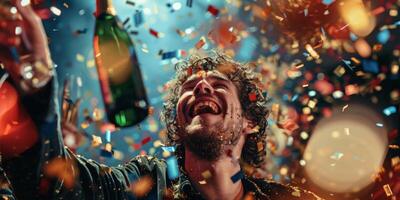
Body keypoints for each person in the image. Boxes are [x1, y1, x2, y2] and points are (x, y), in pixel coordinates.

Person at [0, 1, 322, 200]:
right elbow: (58, 189)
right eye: (191, 86)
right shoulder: (146, 187)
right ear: (178, 125)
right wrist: (35, 81)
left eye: (218, 84)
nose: (201, 89)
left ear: (250, 121)